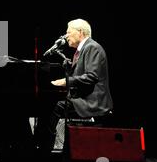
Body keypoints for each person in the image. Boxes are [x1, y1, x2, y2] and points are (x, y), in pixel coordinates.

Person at [37, 18, 113, 153]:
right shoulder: (82, 50)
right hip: (83, 97)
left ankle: (44, 149)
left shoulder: (92, 47)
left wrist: (65, 81)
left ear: (80, 32)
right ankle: (43, 146)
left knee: (54, 105)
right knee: (49, 103)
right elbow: (80, 77)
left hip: (92, 100)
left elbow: (91, 77)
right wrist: (68, 69)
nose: (66, 36)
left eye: (68, 32)